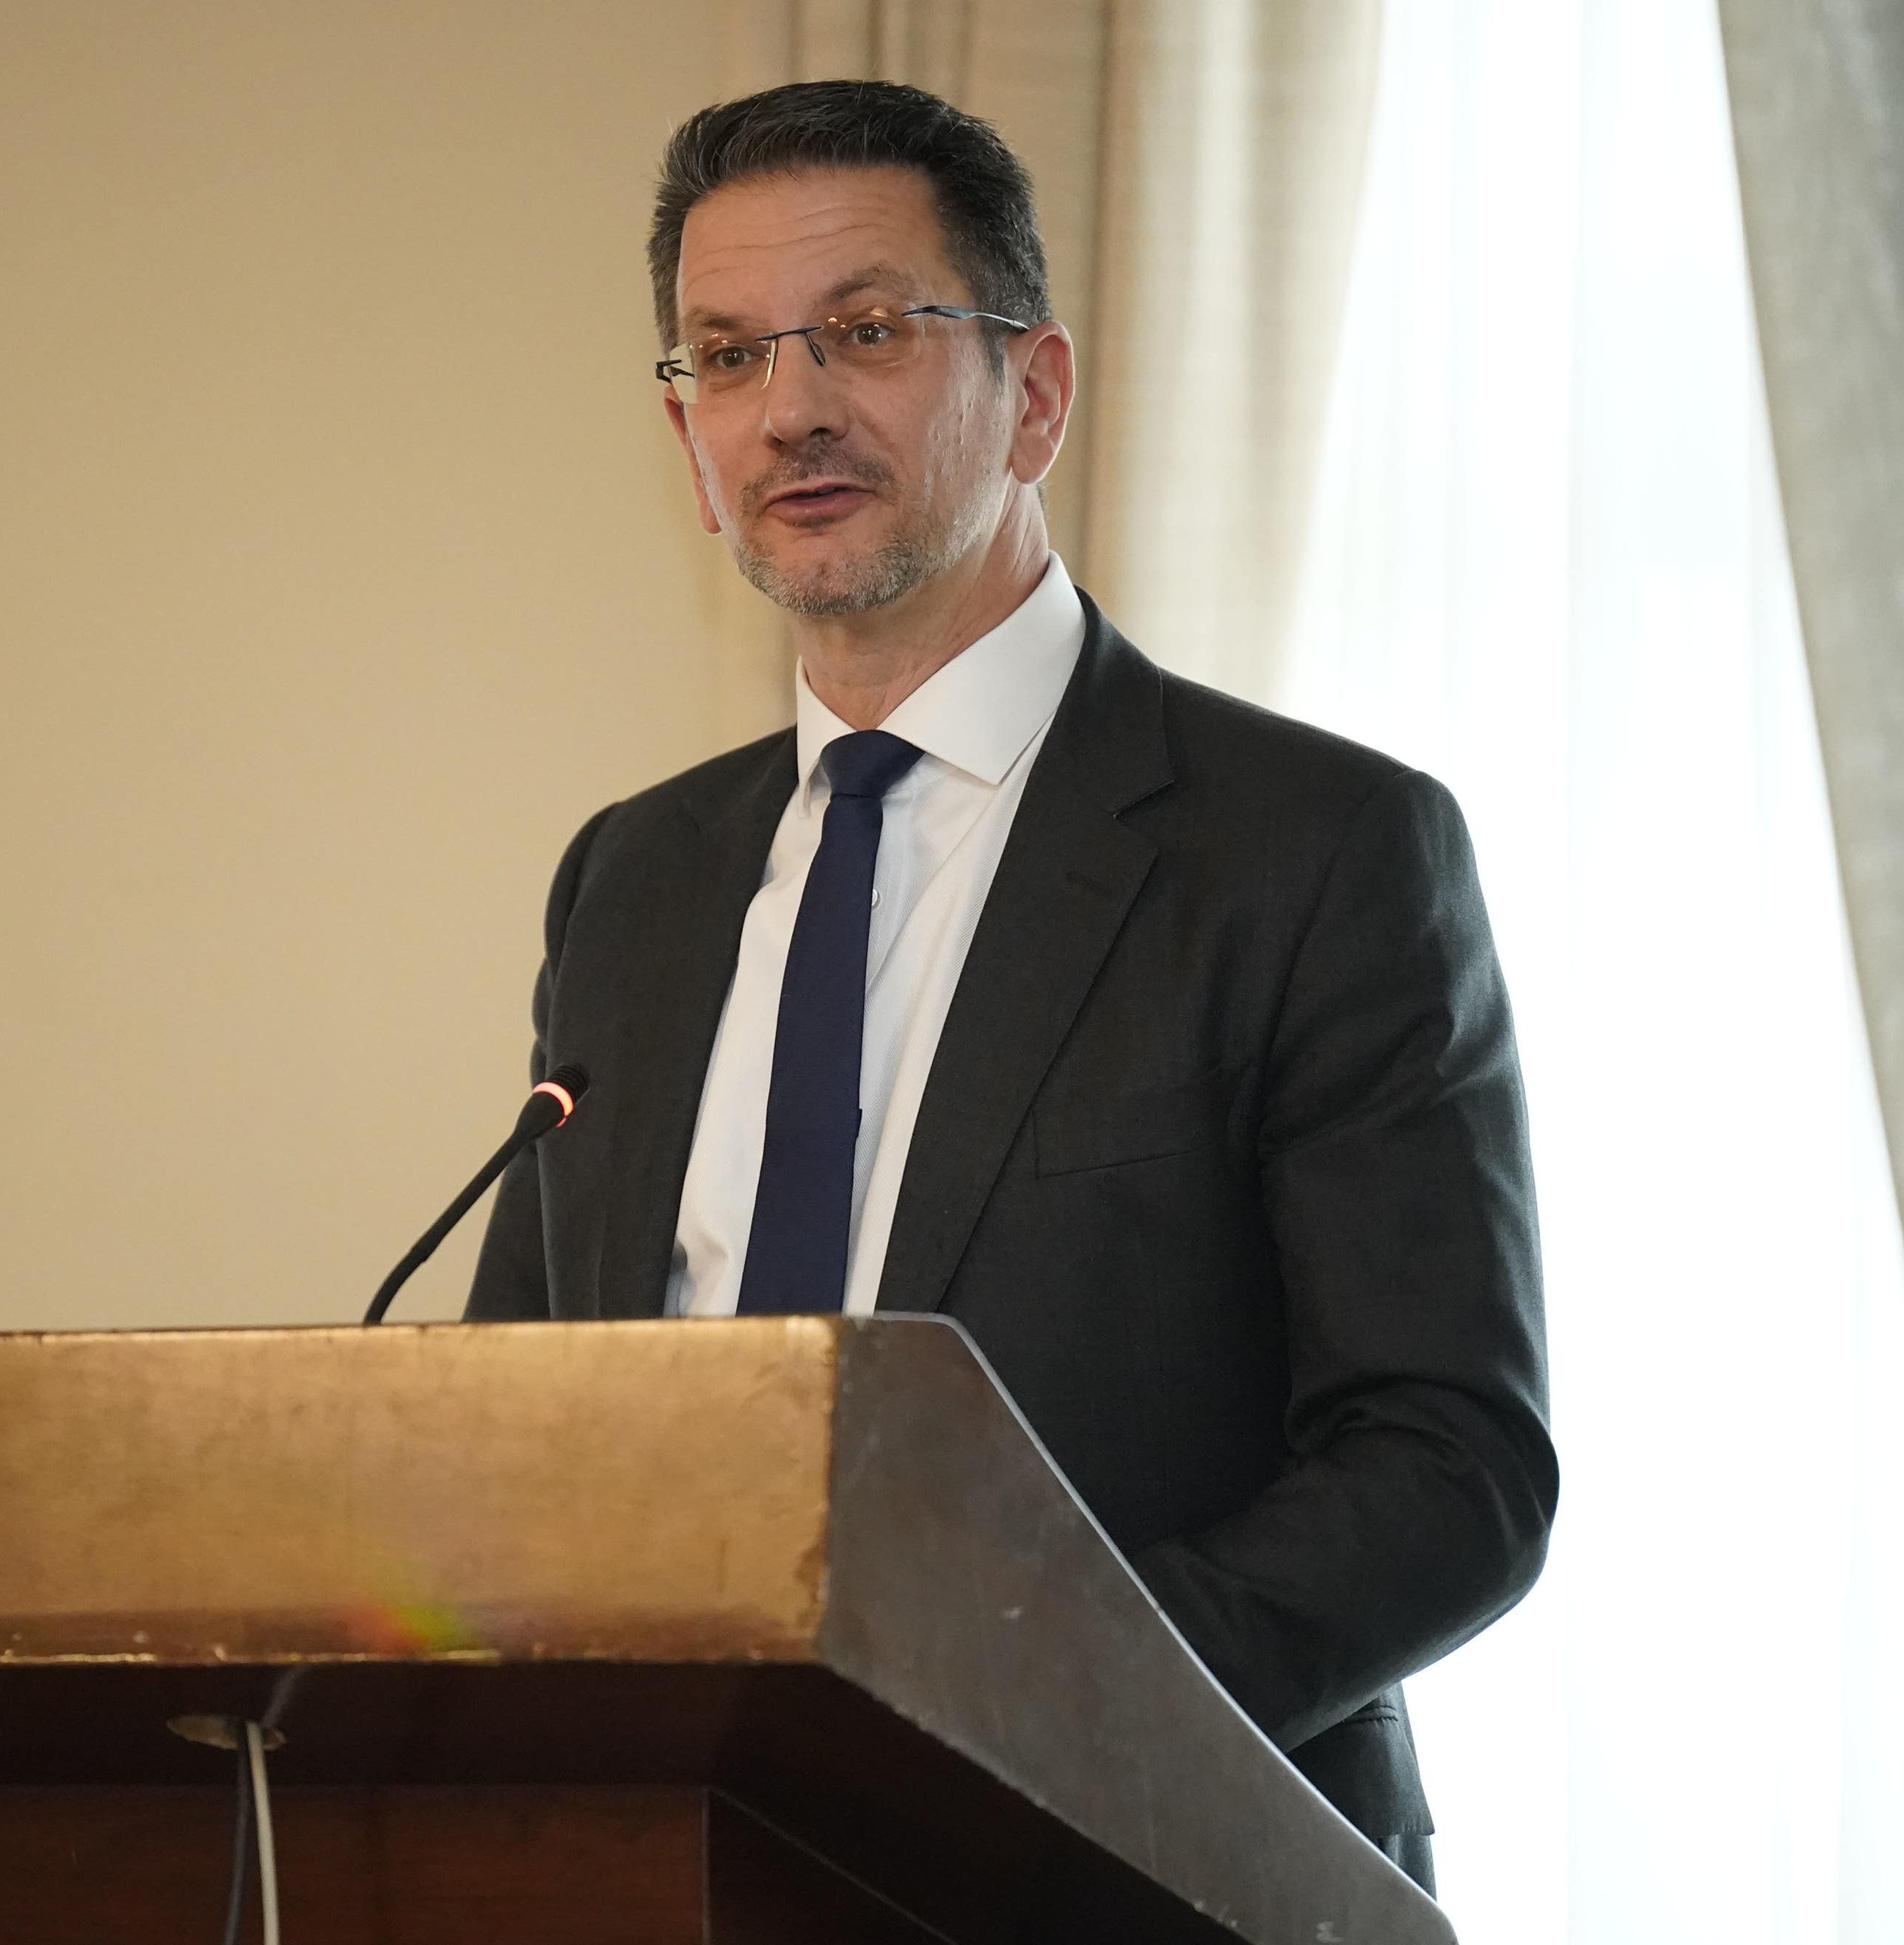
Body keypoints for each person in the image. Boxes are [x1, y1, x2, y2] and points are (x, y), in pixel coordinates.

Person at [460, 79, 1556, 1896]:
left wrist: (1002, 1701)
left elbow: (1446, 1464)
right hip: (675, 1868)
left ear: (1031, 393)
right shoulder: (631, 879)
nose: (789, 404)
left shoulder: (1313, 848)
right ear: (687, 438)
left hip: (1149, 1868)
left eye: (867, 332)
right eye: (724, 356)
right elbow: (515, 1418)